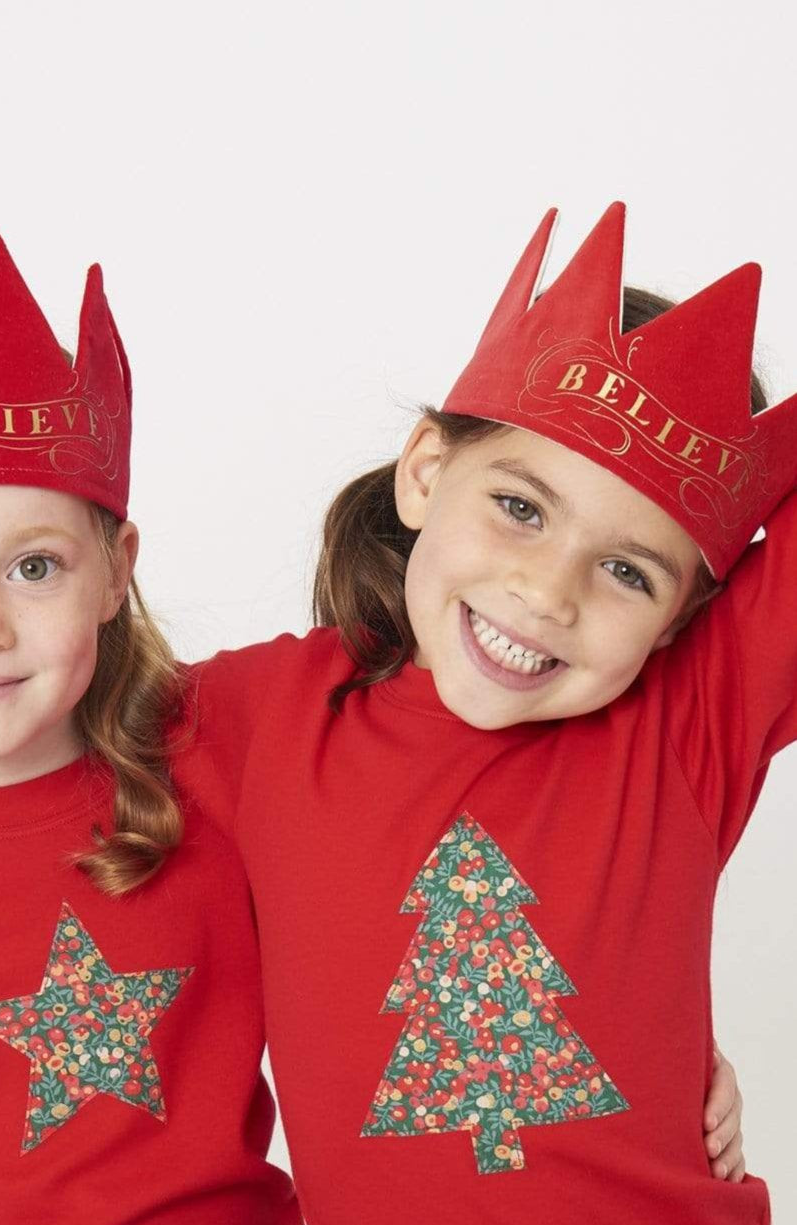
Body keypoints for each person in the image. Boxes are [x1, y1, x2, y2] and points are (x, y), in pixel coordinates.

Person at [172, 202, 792, 1224]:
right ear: (424, 471)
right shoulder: (254, 718)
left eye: (626, 571)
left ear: (682, 619)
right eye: (518, 507)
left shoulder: (689, 725)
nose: (547, 593)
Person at [0, 237, 300, 1224]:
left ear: (114, 568)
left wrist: (655, 1047)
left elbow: (448, 723)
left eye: (32, 566)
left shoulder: (233, 742)